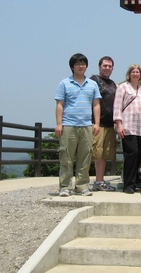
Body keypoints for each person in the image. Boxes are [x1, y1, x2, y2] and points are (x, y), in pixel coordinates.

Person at [55, 53, 101, 197]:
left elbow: (96, 104)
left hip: (86, 124)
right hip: (68, 124)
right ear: (72, 67)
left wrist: (97, 123)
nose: (81, 66)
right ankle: (65, 186)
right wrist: (58, 123)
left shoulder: (92, 84)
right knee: (66, 156)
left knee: (85, 157)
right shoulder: (64, 83)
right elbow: (59, 104)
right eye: (78, 64)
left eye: (83, 63)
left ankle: (82, 186)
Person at [113, 64, 141, 194]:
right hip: (127, 126)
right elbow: (117, 106)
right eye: (133, 72)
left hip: (140, 126)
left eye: (137, 72)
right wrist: (119, 124)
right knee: (131, 154)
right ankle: (128, 184)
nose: (135, 74)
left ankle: (133, 184)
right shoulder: (122, 87)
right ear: (129, 74)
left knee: (138, 155)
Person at [90, 56, 117, 191]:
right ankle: (94, 181)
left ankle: (100, 180)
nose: (107, 68)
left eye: (109, 66)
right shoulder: (94, 80)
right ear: (99, 66)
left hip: (109, 124)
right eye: (105, 66)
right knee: (95, 153)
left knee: (105, 154)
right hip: (97, 123)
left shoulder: (112, 84)